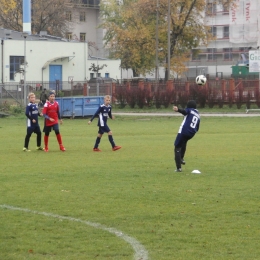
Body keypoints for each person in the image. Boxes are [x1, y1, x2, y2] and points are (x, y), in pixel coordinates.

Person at [173, 100, 200, 172]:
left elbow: (184, 112)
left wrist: (178, 110)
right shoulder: (197, 114)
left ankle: (179, 168)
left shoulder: (189, 110)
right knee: (184, 142)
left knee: (177, 147)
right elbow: (197, 127)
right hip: (191, 133)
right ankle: (181, 158)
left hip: (184, 131)